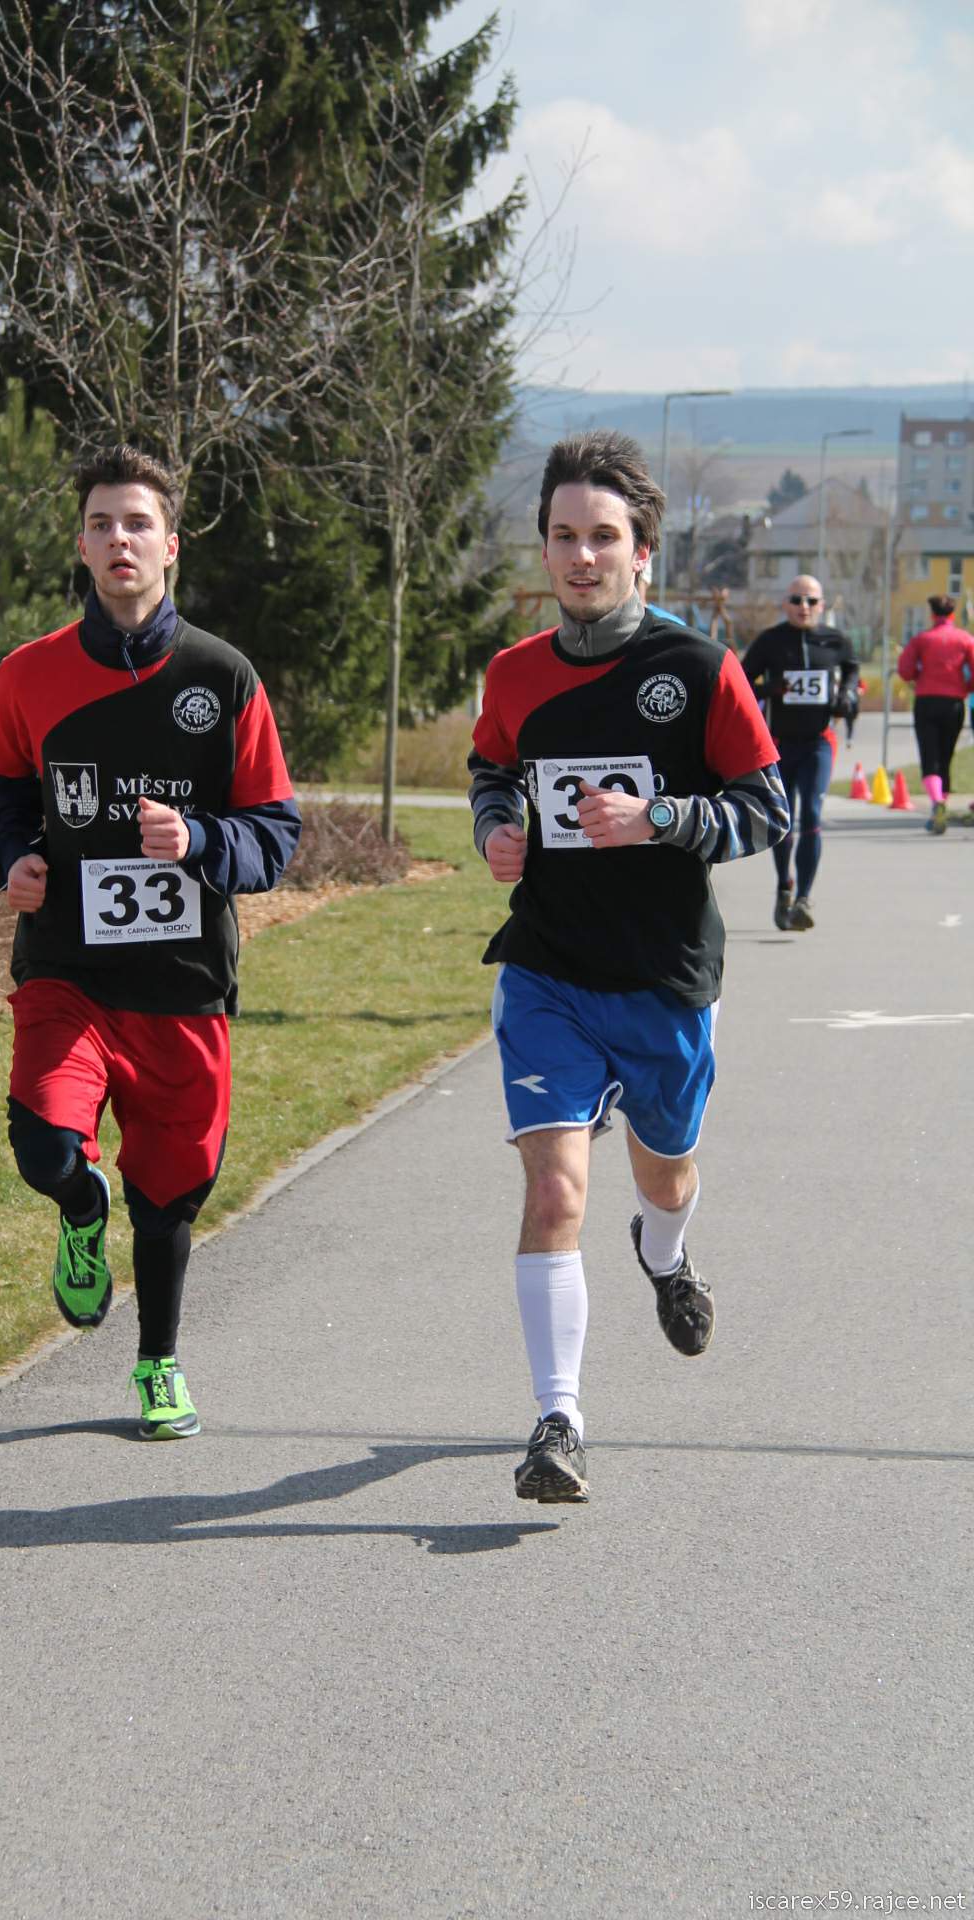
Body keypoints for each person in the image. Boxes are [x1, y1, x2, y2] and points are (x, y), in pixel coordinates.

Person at [468, 429, 787, 1505]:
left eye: (602, 537)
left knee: (664, 1175)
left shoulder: (698, 669)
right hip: (549, 971)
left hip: (663, 979)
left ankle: (663, 1253)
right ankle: (557, 1420)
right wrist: (496, 826)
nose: (581, 555)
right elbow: (490, 768)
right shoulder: (515, 673)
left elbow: (765, 811)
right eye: (563, 536)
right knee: (554, 1187)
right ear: (544, 547)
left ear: (642, 552)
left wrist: (660, 819)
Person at [0, 444, 300, 1438]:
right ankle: (81, 1210)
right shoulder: (29, 674)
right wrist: (13, 857)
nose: (120, 539)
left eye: (138, 523)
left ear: (170, 544)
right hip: (67, 972)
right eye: (101, 523)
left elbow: (275, 835)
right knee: (43, 1148)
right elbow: (3, 787)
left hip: (182, 984)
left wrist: (199, 840)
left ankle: (159, 1362)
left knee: (168, 1197)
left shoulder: (222, 677)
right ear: (81, 545)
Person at [741, 576, 858, 931]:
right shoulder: (771, 641)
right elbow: (741, 681)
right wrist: (770, 689)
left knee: (812, 813)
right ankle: (784, 887)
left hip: (818, 742)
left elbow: (851, 668)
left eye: (811, 600)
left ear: (822, 605)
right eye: (796, 600)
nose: (803, 607)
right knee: (784, 819)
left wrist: (846, 694)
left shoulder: (834, 640)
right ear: (785, 604)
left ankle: (804, 899)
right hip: (780, 745)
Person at [894, 595, 974, 834]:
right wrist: (965, 687)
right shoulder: (965, 639)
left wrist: (919, 675)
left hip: (927, 701)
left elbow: (904, 670)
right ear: (953, 614)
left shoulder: (922, 639)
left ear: (932, 614)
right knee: (946, 756)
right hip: (954, 703)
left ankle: (936, 802)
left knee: (930, 756)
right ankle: (942, 804)